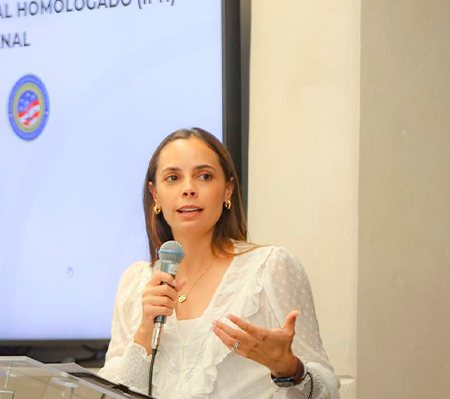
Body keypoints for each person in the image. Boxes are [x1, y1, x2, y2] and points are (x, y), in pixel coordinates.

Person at [98, 128, 340, 398]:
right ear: (155, 195)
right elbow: (109, 393)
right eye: (173, 178)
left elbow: (328, 392)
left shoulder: (269, 267)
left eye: (204, 176)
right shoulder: (135, 283)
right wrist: (144, 331)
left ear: (228, 190)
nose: (188, 189)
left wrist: (289, 369)